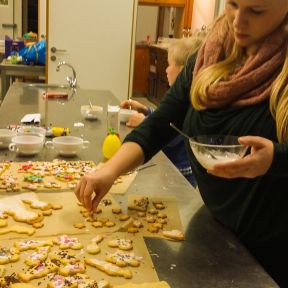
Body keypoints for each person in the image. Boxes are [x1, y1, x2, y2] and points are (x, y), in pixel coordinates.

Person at [76, 0, 288, 286]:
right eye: (233, 4)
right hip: (215, 229)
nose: (238, 21)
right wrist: (110, 170)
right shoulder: (210, 55)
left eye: (257, 11)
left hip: (275, 251)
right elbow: (160, 124)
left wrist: (276, 158)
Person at [120, 34, 207, 188]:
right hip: (171, 169)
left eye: (169, 64)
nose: (166, 70)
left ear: (183, 70)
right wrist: (145, 110)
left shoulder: (190, 102)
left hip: (180, 174)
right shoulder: (177, 96)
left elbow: (172, 134)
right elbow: (165, 117)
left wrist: (144, 122)